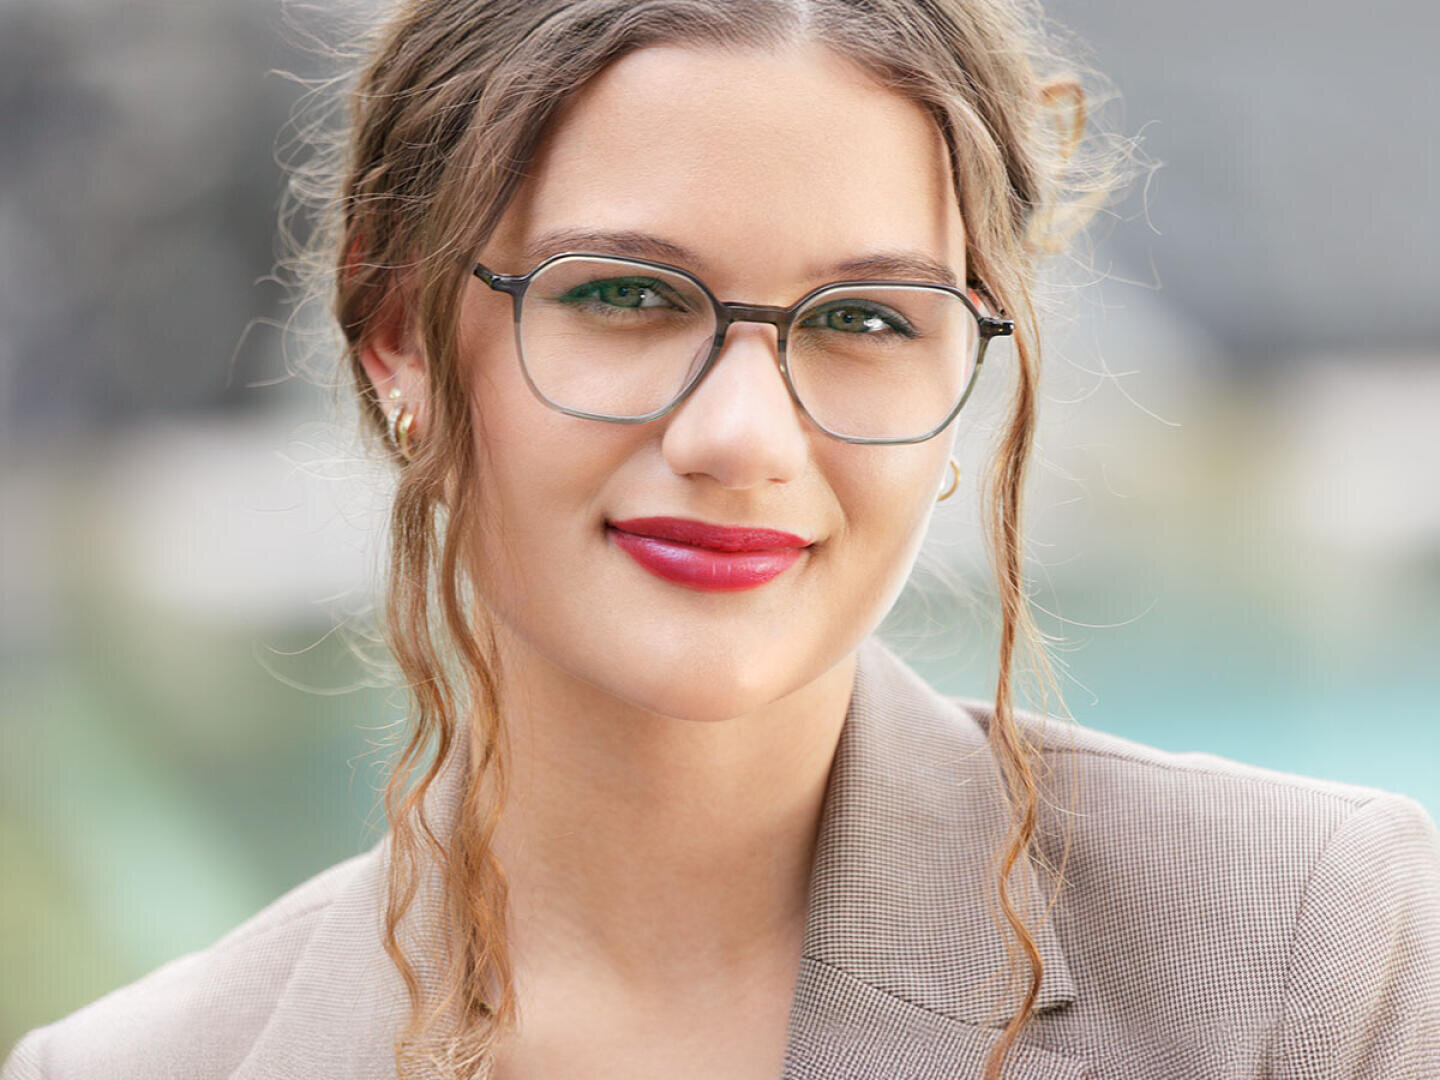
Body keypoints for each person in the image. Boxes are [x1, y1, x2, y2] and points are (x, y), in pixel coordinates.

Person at [5, 1, 1438, 1078]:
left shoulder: (1310, 956)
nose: (745, 436)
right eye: (627, 297)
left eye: (868, 320)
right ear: (400, 336)